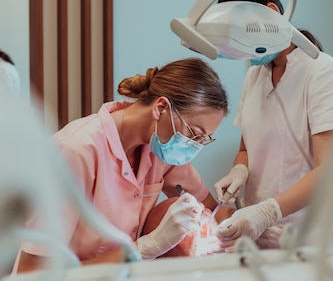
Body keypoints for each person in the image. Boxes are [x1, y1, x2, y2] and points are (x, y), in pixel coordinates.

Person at [15, 57, 229, 272]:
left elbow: (212, 208)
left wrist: (251, 221)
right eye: (194, 134)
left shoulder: (161, 150)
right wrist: (146, 247)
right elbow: (33, 272)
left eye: (204, 139)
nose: (194, 146)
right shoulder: (75, 152)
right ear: (160, 108)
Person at [213, 0, 333, 250]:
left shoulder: (322, 71)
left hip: (314, 239)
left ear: (272, 13)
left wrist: (267, 212)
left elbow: (328, 170)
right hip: (262, 235)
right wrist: (239, 169)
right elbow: (246, 148)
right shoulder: (255, 75)